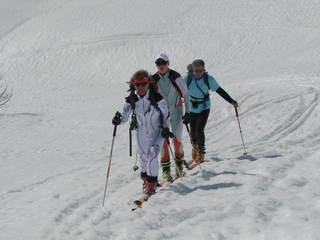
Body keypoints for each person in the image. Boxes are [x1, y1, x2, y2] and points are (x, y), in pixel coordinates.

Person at [112, 70, 172, 197]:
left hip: (157, 131)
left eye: (143, 84)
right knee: (144, 158)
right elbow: (124, 118)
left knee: (151, 155)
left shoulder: (156, 97)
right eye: (137, 84)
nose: (140, 87)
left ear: (148, 83)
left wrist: (166, 129)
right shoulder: (131, 100)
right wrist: (117, 120)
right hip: (140, 133)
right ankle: (145, 181)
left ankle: (151, 184)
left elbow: (166, 114)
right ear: (134, 85)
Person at [184, 59, 238, 163]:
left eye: (200, 70)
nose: (198, 73)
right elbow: (180, 91)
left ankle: (201, 151)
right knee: (193, 131)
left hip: (204, 107)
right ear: (192, 70)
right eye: (196, 71)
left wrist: (232, 101)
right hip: (193, 107)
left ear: (204, 69)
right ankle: (194, 146)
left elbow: (220, 91)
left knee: (199, 130)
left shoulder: (209, 79)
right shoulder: (188, 79)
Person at [152, 53, 190, 180]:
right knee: (162, 142)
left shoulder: (175, 76)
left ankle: (179, 164)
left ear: (168, 63)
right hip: (161, 115)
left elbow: (186, 94)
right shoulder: (153, 79)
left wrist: (188, 112)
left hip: (176, 111)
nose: (161, 66)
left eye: (163, 63)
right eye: (158, 63)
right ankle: (166, 169)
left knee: (177, 139)